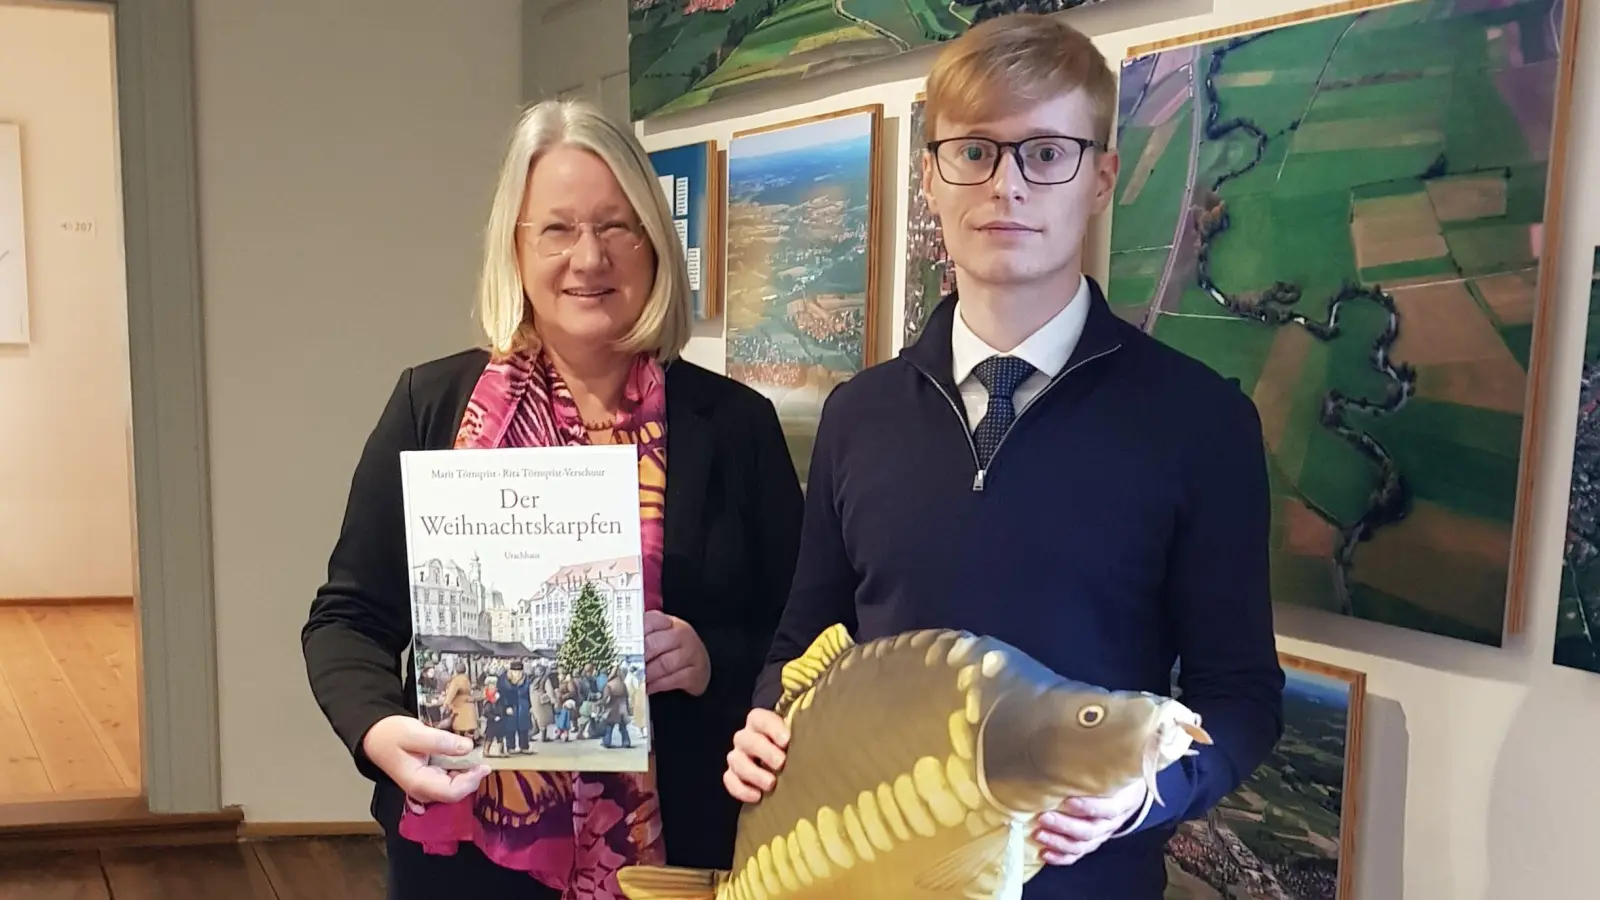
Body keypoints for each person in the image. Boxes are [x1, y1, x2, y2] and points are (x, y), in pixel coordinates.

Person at [722, 14, 1284, 898]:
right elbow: (804, 639)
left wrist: (1148, 792)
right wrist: (766, 716)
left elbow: (1242, 695)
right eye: (975, 152)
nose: (1007, 186)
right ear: (933, 180)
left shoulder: (1201, 423)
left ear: (1099, 178)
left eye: (1046, 153)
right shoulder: (858, 415)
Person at [302, 98, 805, 900]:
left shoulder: (736, 425)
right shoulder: (431, 406)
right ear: (517, 247)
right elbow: (347, 619)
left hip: (678, 846)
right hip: (461, 848)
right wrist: (379, 731)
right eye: (558, 229)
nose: (589, 257)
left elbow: (804, 640)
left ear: (653, 244)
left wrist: (711, 660)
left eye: (617, 226)